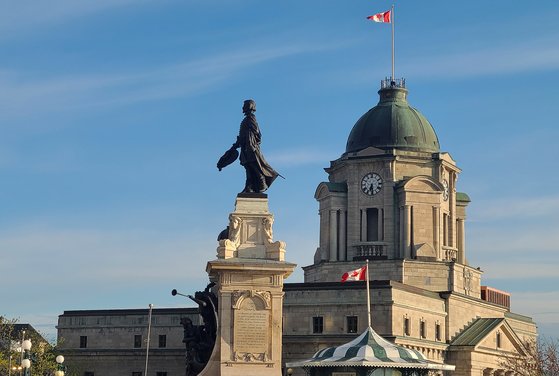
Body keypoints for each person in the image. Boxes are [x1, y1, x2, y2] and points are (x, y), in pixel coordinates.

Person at [229, 99, 279, 193]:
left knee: (253, 165)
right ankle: (249, 186)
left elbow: (257, 132)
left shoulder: (250, 118)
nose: (243, 107)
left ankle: (262, 183)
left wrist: (252, 143)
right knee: (247, 166)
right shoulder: (246, 119)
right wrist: (237, 144)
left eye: (244, 105)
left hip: (250, 147)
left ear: (249, 106)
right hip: (245, 147)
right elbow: (242, 135)